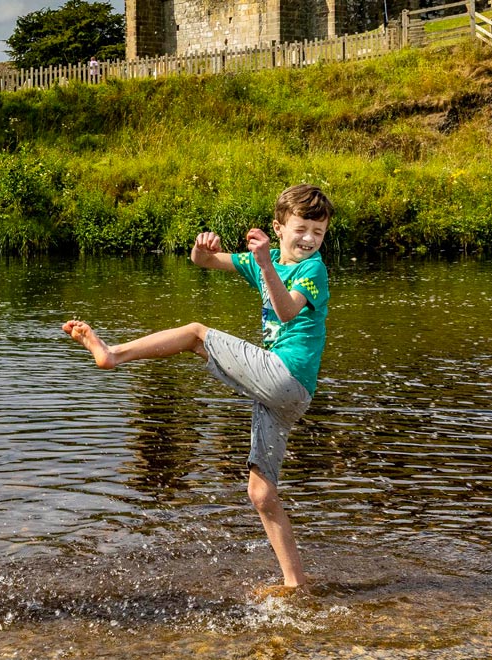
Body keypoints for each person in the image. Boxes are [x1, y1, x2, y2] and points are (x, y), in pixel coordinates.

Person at [62, 183, 333, 592]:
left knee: (195, 333)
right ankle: (296, 583)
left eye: (319, 232)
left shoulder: (313, 270)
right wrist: (203, 246)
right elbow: (203, 262)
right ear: (279, 228)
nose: (310, 239)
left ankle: (112, 354)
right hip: (288, 396)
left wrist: (264, 265)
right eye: (301, 229)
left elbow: (286, 309)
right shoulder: (267, 258)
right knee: (261, 492)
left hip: (285, 375)